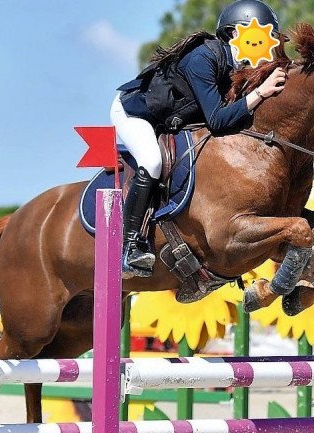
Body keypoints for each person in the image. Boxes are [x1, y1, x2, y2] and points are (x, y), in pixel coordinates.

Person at [111, 0, 287, 279]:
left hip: (175, 120)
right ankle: (130, 244)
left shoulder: (238, 66)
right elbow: (217, 120)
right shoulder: (203, 58)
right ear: (235, 35)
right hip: (137, 113)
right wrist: (261, 93)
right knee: (152, 161)